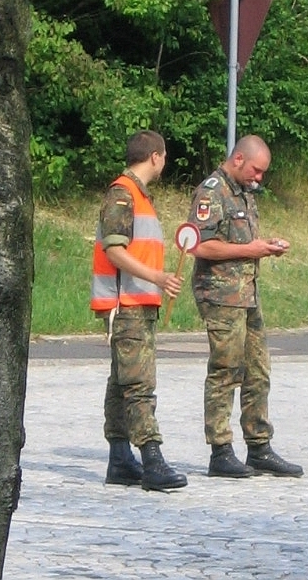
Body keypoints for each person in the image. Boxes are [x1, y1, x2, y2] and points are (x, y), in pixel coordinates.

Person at [187, 134, 303, 479]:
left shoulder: (244, 192)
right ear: (238, 159)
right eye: (256, 170)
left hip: (247, 294)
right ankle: (220, 451)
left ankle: (259, 446)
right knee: (226, 370)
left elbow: (242, 242)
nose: (259, 177)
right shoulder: (211, 193)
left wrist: (264, 246)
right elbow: (199, 246)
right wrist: (252, 250)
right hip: (220, 295)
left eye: (263, 172)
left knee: (258, 369)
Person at [90, 130, 188, 492]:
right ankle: (152, 459)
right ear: (155, 157)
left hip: (137, 304)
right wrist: (157, 277)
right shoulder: (123, 194)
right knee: (139, 383)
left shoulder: (139, 195)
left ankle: (119, 460)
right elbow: (115, 251)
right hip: (126, 305)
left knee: (121, 383)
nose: (164, 162)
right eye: (164, 156)